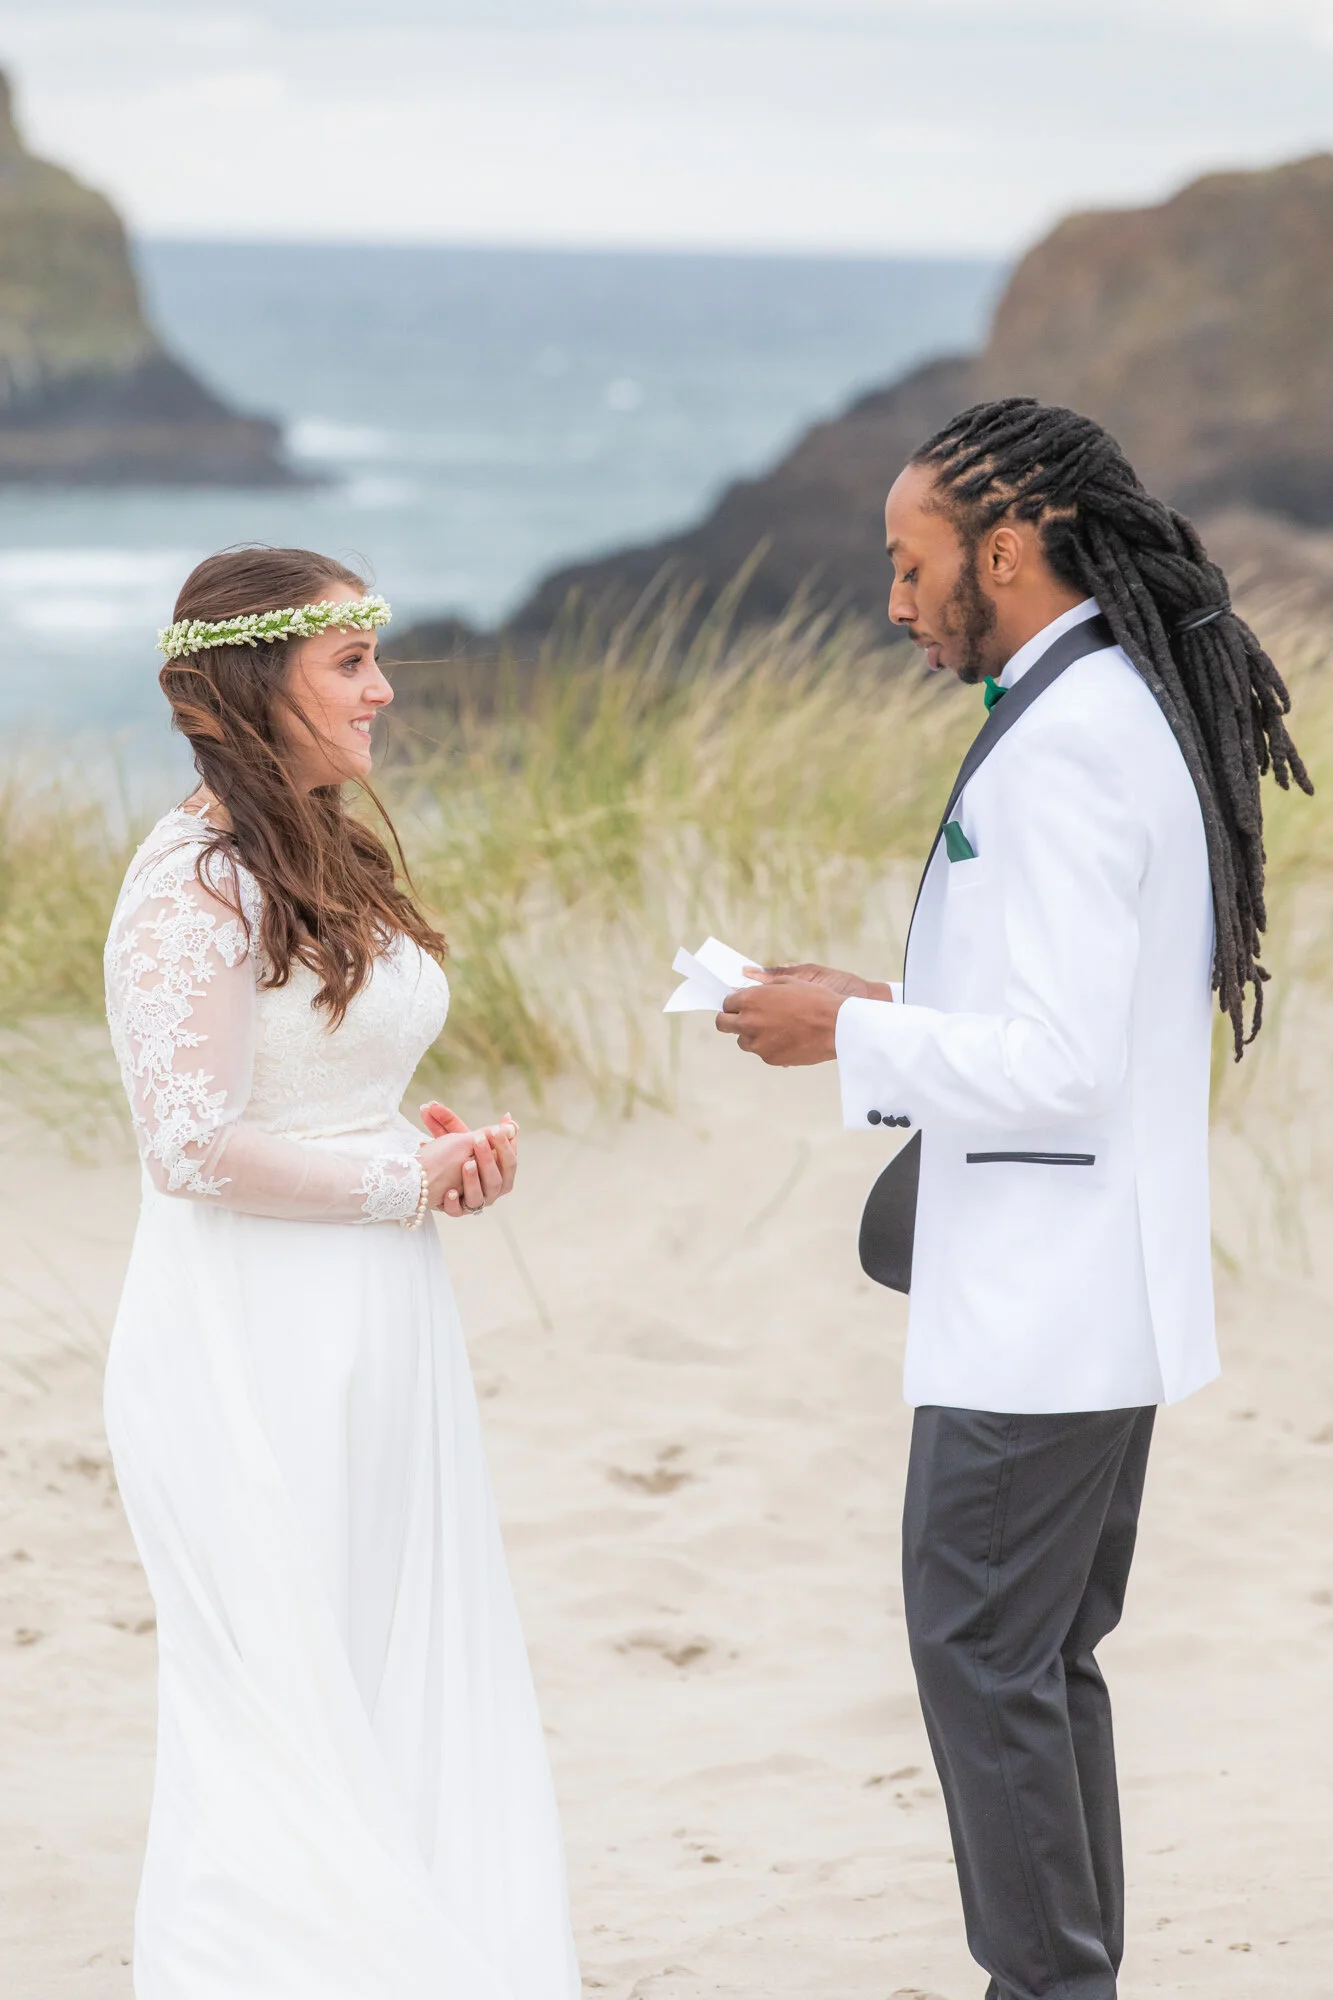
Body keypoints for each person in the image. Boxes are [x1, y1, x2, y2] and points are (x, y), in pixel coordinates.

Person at [717, 399, 1309, 2000]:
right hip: (1091, 1287)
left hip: (1044, 1308)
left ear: (1007, 548)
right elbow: (1070, 1020)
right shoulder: (1108, 705)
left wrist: (848, 1036)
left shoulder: (1070, 746)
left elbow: (1060, 1065)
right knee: (1039, 1659)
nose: (895, 602)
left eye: (912, 566)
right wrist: (878, 1007)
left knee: (982, 1655)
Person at [103, 547, 581, 1999]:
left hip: (377, 1316)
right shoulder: (194, 885)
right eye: (350, 664)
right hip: (252, 1334)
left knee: (383, 1669)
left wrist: (423, 1151)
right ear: (256, 684)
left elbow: (317, 1084)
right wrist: (398, 1184)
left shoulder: (316, 851)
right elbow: (190, 1145)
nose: (382, 691)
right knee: (286, 1700)